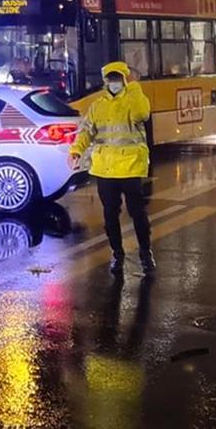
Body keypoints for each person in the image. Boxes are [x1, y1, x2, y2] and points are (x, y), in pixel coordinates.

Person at [69, 61, 155, 276]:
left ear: (125, 79)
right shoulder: (98, 105)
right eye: (110, 78)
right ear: (105, 81)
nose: (113, 82)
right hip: (105, 169)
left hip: (131, 167)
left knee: (138, 213)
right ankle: (117, 254)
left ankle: (145, 253)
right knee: (110, 216)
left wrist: (134, 87)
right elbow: (86, 131)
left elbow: (142, 113)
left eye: (117, 78)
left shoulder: (134, 99)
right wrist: (76, 151)